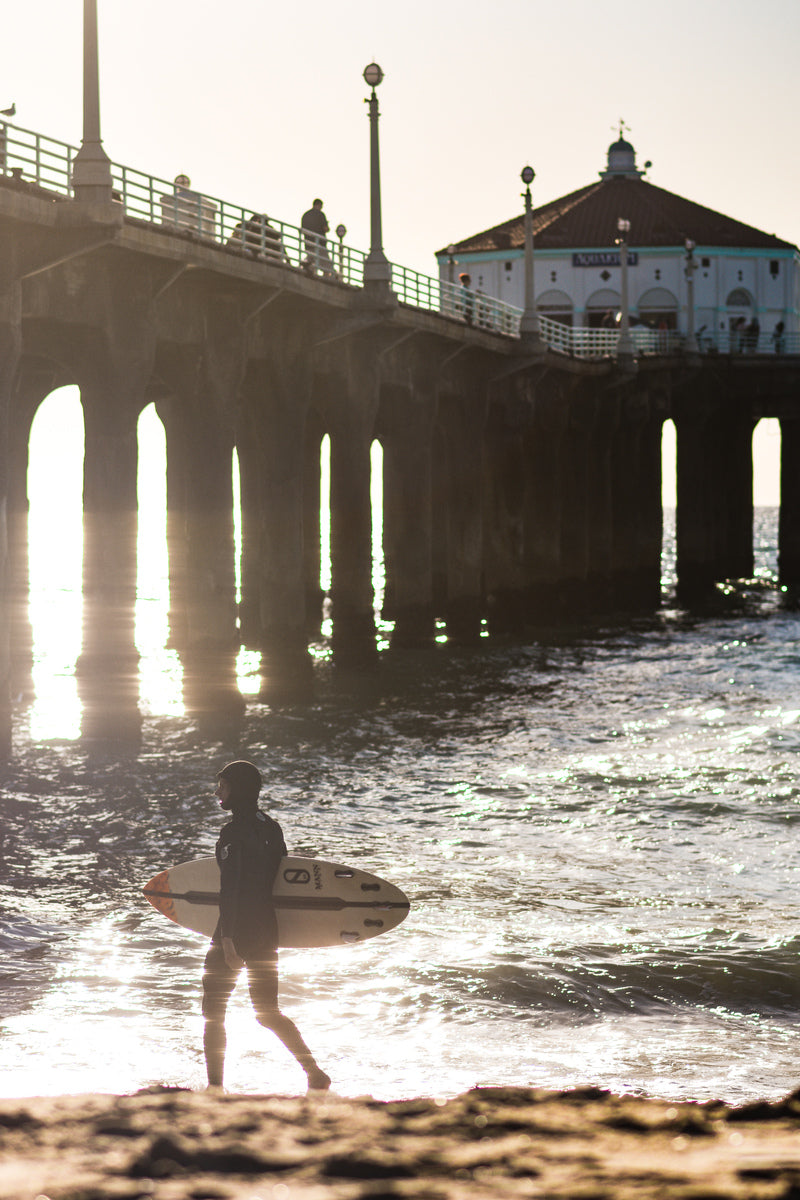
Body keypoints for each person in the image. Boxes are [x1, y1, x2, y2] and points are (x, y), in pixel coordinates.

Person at [202, 759, 331, 1092]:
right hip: (265, 930)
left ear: (239, 790)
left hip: (235, 930)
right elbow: (283, 881)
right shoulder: (272, 828)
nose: (217, 791)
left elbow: (231, 886)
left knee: (214, 1012)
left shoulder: (233, 832)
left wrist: (228, 941)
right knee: (267, 1011)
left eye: (223, 785)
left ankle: (215, 1088)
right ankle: (314, 1073)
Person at [301, 199, 335, 277]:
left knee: (311, 262)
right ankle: (327, 281)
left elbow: (302, 230)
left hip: (308, 243)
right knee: (326, 266)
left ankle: (307, 271)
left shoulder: (306, 215)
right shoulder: (320, 214)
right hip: (320, 244)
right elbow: (325, 228)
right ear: (319, 205)